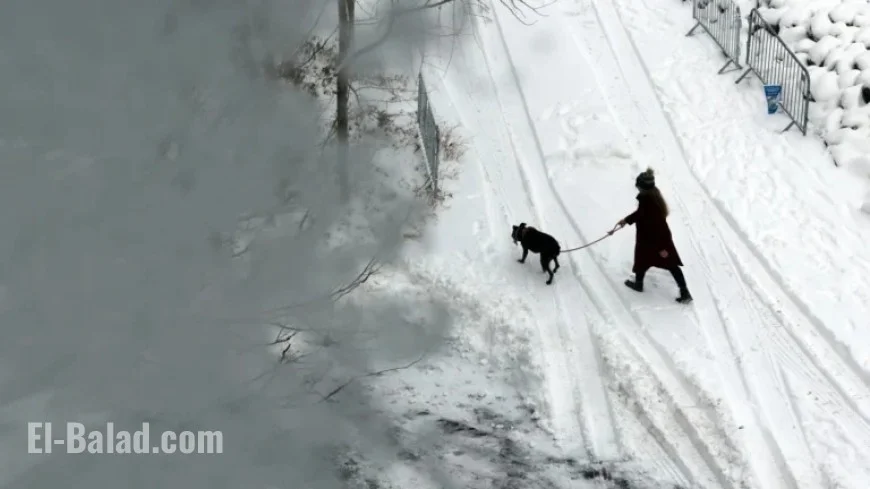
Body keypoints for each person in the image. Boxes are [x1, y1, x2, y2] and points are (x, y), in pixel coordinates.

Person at [616, 168, 693, 304]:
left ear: (642, 187)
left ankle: (684, 292)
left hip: (656, 241)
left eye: (638, 186)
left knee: (669, 264)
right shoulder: (650, 197)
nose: (637, 188)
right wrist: (626, 221)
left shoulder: (649, 202)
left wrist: (663, 248)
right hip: (649, 240)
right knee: (643, 261)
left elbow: (659, 228)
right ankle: (639, 283)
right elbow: (640, 214)